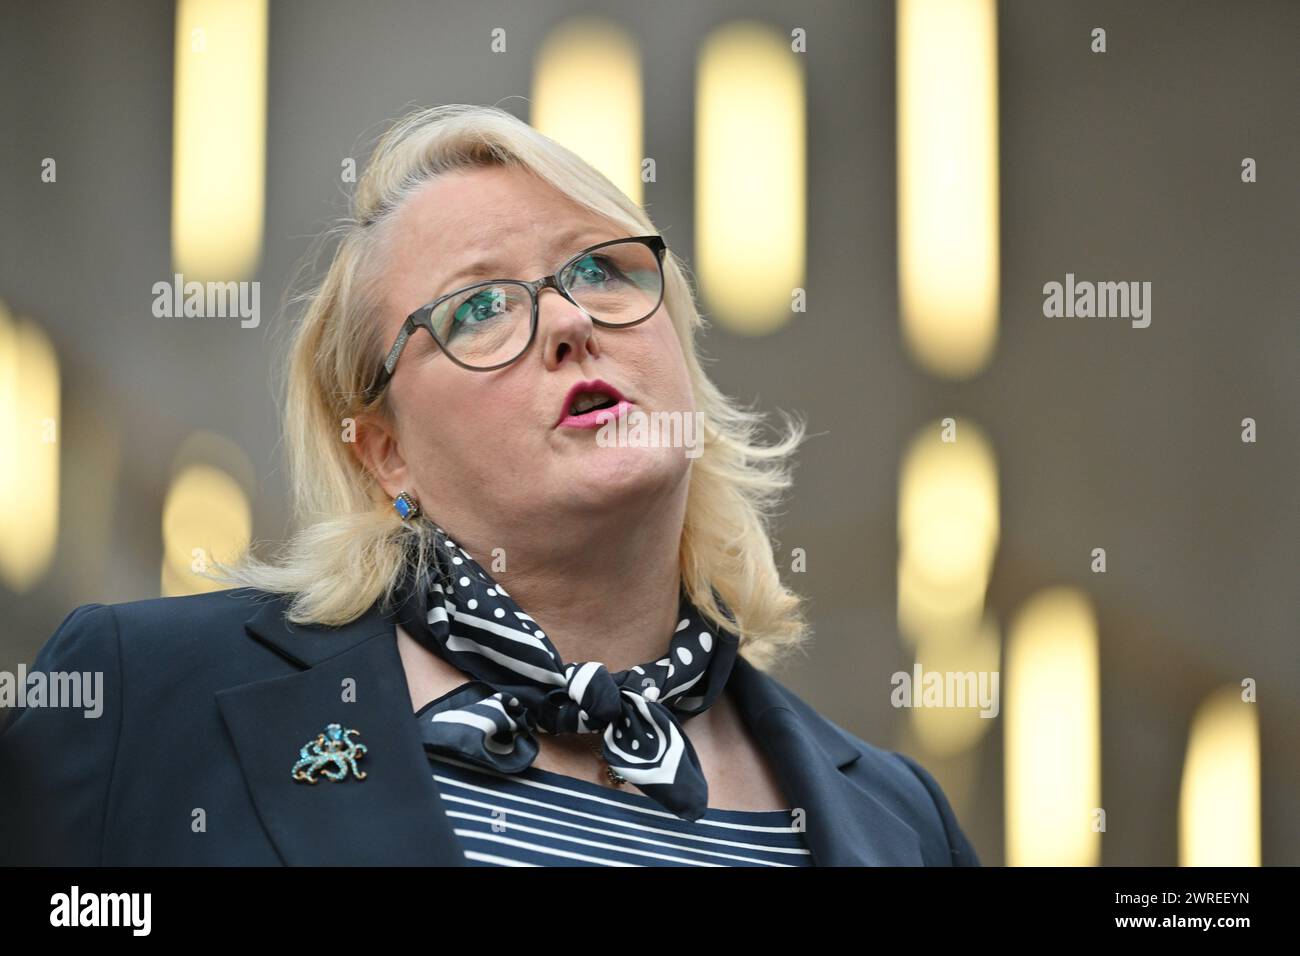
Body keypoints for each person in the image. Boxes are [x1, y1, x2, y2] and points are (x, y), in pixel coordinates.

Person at [0, 103, 978, 867]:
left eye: (601, 269)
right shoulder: (143, 700)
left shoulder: (900, 819)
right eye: (477, 306)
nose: (569, 323)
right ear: (384, 449)